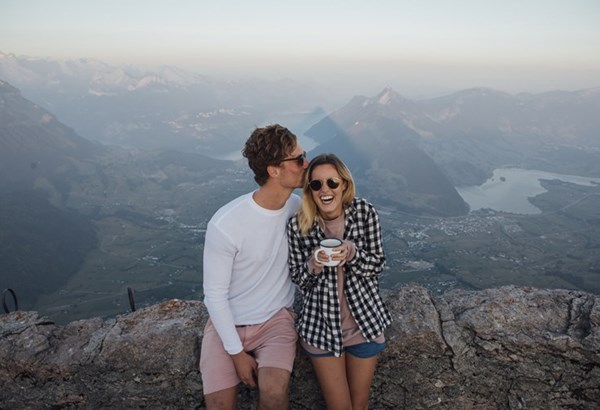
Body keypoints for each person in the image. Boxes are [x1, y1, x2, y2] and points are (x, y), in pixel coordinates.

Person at [200, 124, 308, 410]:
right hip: (227, 325)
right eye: (298, 159)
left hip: (276, 321)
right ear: (274, 170)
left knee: (273, 394)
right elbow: (214, 295)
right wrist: (236, 353)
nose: (306, 164)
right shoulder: (226, 225)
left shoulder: (297, 209)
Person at [287, 153, 391, 410]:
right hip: (320, 329)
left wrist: (352, 253)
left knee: (359, 404)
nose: (325, 190)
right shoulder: (298, 226)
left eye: (332, 182)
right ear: (309, 190)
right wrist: (314, 264)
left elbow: (377, 265)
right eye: (316, 184)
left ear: (344, 184)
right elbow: (299, 280)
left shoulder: (365, 213)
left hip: (364, 324)